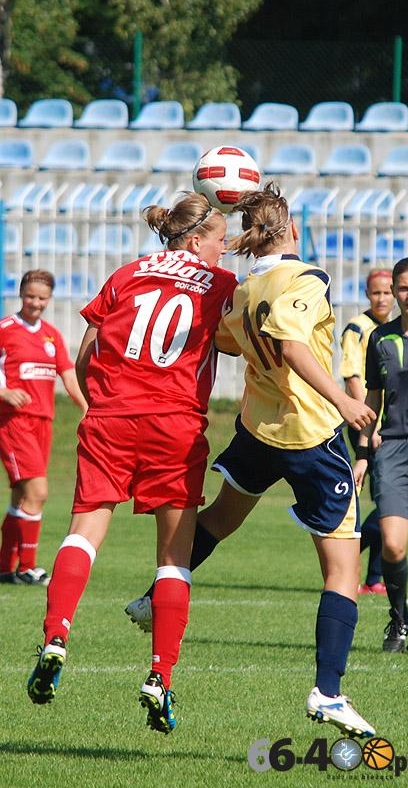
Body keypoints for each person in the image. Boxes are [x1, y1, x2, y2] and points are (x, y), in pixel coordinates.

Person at [126, 182, 377, 738]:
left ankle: (153, 597)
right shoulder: (307, 278)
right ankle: (328, 692)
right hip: (311, 436)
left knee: (220, 518)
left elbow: (230, 342)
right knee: (343, 570)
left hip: (258, 430)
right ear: (291, 230)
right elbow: (290, 343)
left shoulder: (243, 289)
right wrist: (345, 400)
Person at [26, 192, 237, 735]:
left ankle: (56, 635)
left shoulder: (127, 272)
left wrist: (105, 400)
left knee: (83, 533)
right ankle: (160, 676)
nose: (224, 251)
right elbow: (239, 342)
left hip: (111, 417)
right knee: (173, 557)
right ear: (195, 241)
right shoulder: (219, 285)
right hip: (175, 424)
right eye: (219, 241)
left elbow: (87, 350)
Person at [0, 270, 87, 586]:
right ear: (21, 294)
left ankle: (4, 566)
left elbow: (67, 374)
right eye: (30, 296)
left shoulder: (51, 334)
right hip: (13, 422)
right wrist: (4, 392)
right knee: (38, 491)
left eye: (41, 298)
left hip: (43, 422)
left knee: (20, 495)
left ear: (49, 300)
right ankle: (28, 566)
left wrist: (87, 408)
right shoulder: (5, 329)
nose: (35, 303)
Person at [354, 256, 408, 654]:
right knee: (393, 544)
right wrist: (362, 455)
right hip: (392, 449)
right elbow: (371, 403)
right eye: (404, 288)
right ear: (393, 292)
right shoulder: (380, 338)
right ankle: (399, 617)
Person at [339, 268, 394, 594]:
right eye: (377, 293)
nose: (383, 298)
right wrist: (370, 425)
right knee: (386, 502)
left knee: (385, 501)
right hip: (368, 425)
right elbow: (353, 379)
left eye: (388, 292)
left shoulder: (393, 329)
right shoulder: (358, 329)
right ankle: (345, 559)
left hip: (393, 425)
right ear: (367, 294)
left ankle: (374, 579)